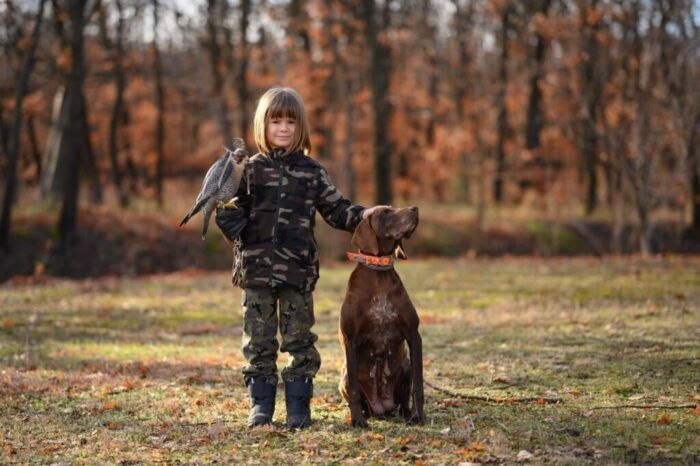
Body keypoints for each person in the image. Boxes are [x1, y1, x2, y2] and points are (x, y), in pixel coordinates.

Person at [215, 87, 387, 429]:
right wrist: (226, 215)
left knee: (300, 341)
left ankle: (298, 409)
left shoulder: (312, 171)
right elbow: (229, 211)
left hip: (298, 272)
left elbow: (336, 210)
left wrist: (366, 214)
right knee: (258, 340)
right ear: (262, 125)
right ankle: (260, 407)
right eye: (275, 121)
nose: (282, 128)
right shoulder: (248, 171)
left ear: (300, 127)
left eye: (290, 122)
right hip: (256, 272)